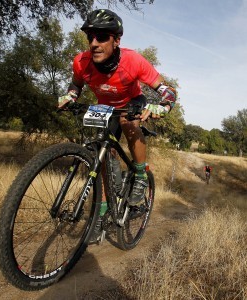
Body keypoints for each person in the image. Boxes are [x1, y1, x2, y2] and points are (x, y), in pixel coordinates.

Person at [58, 9, 176, 206]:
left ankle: (140, 175)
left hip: (131, 102)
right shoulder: (81, 62)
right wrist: (70, 96)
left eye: (102, 37)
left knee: (128, 123)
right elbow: (76, 84)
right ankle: (102, 211)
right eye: (90, 37)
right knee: (102, 154)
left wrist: (163, 106)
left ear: (116, 41)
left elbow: (168, 90)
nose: (94, 43)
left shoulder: (134, 61)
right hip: (105, 108)